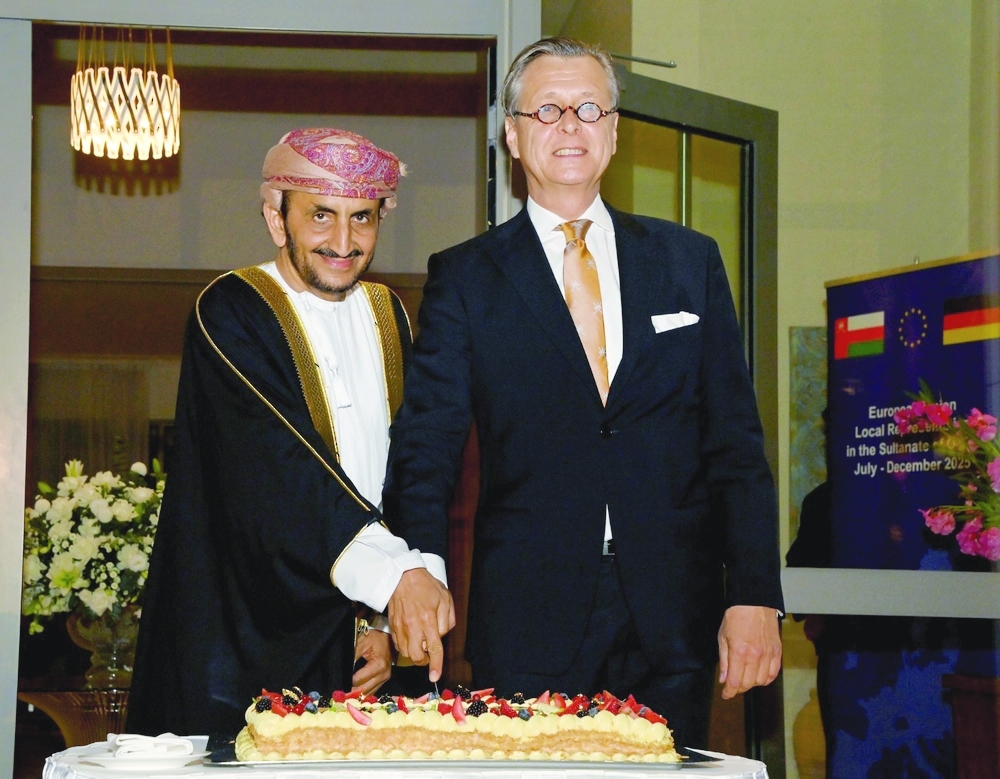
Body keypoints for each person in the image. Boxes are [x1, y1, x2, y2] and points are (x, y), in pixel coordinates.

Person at [384, 39, 783, 748]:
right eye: (546, 109)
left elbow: (736, 444)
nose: (569, 125)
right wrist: (417, 570)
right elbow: (426, 444)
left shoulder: (690, 261)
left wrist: (753, 591)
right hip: (529, 617)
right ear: (512, 133)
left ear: (615, 131)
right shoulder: (466, 278)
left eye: (588, 108)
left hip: (674, 616)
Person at [128, 128, 454, 737]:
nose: (343, 241)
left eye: (363, 218)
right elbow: (282, 475)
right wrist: (394, 580)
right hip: (251, 635)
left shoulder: (390, 316)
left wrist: (380, 624)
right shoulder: (230, 310)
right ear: (276, 219)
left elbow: (404, 476)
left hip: (360, 652)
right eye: (321, 216)